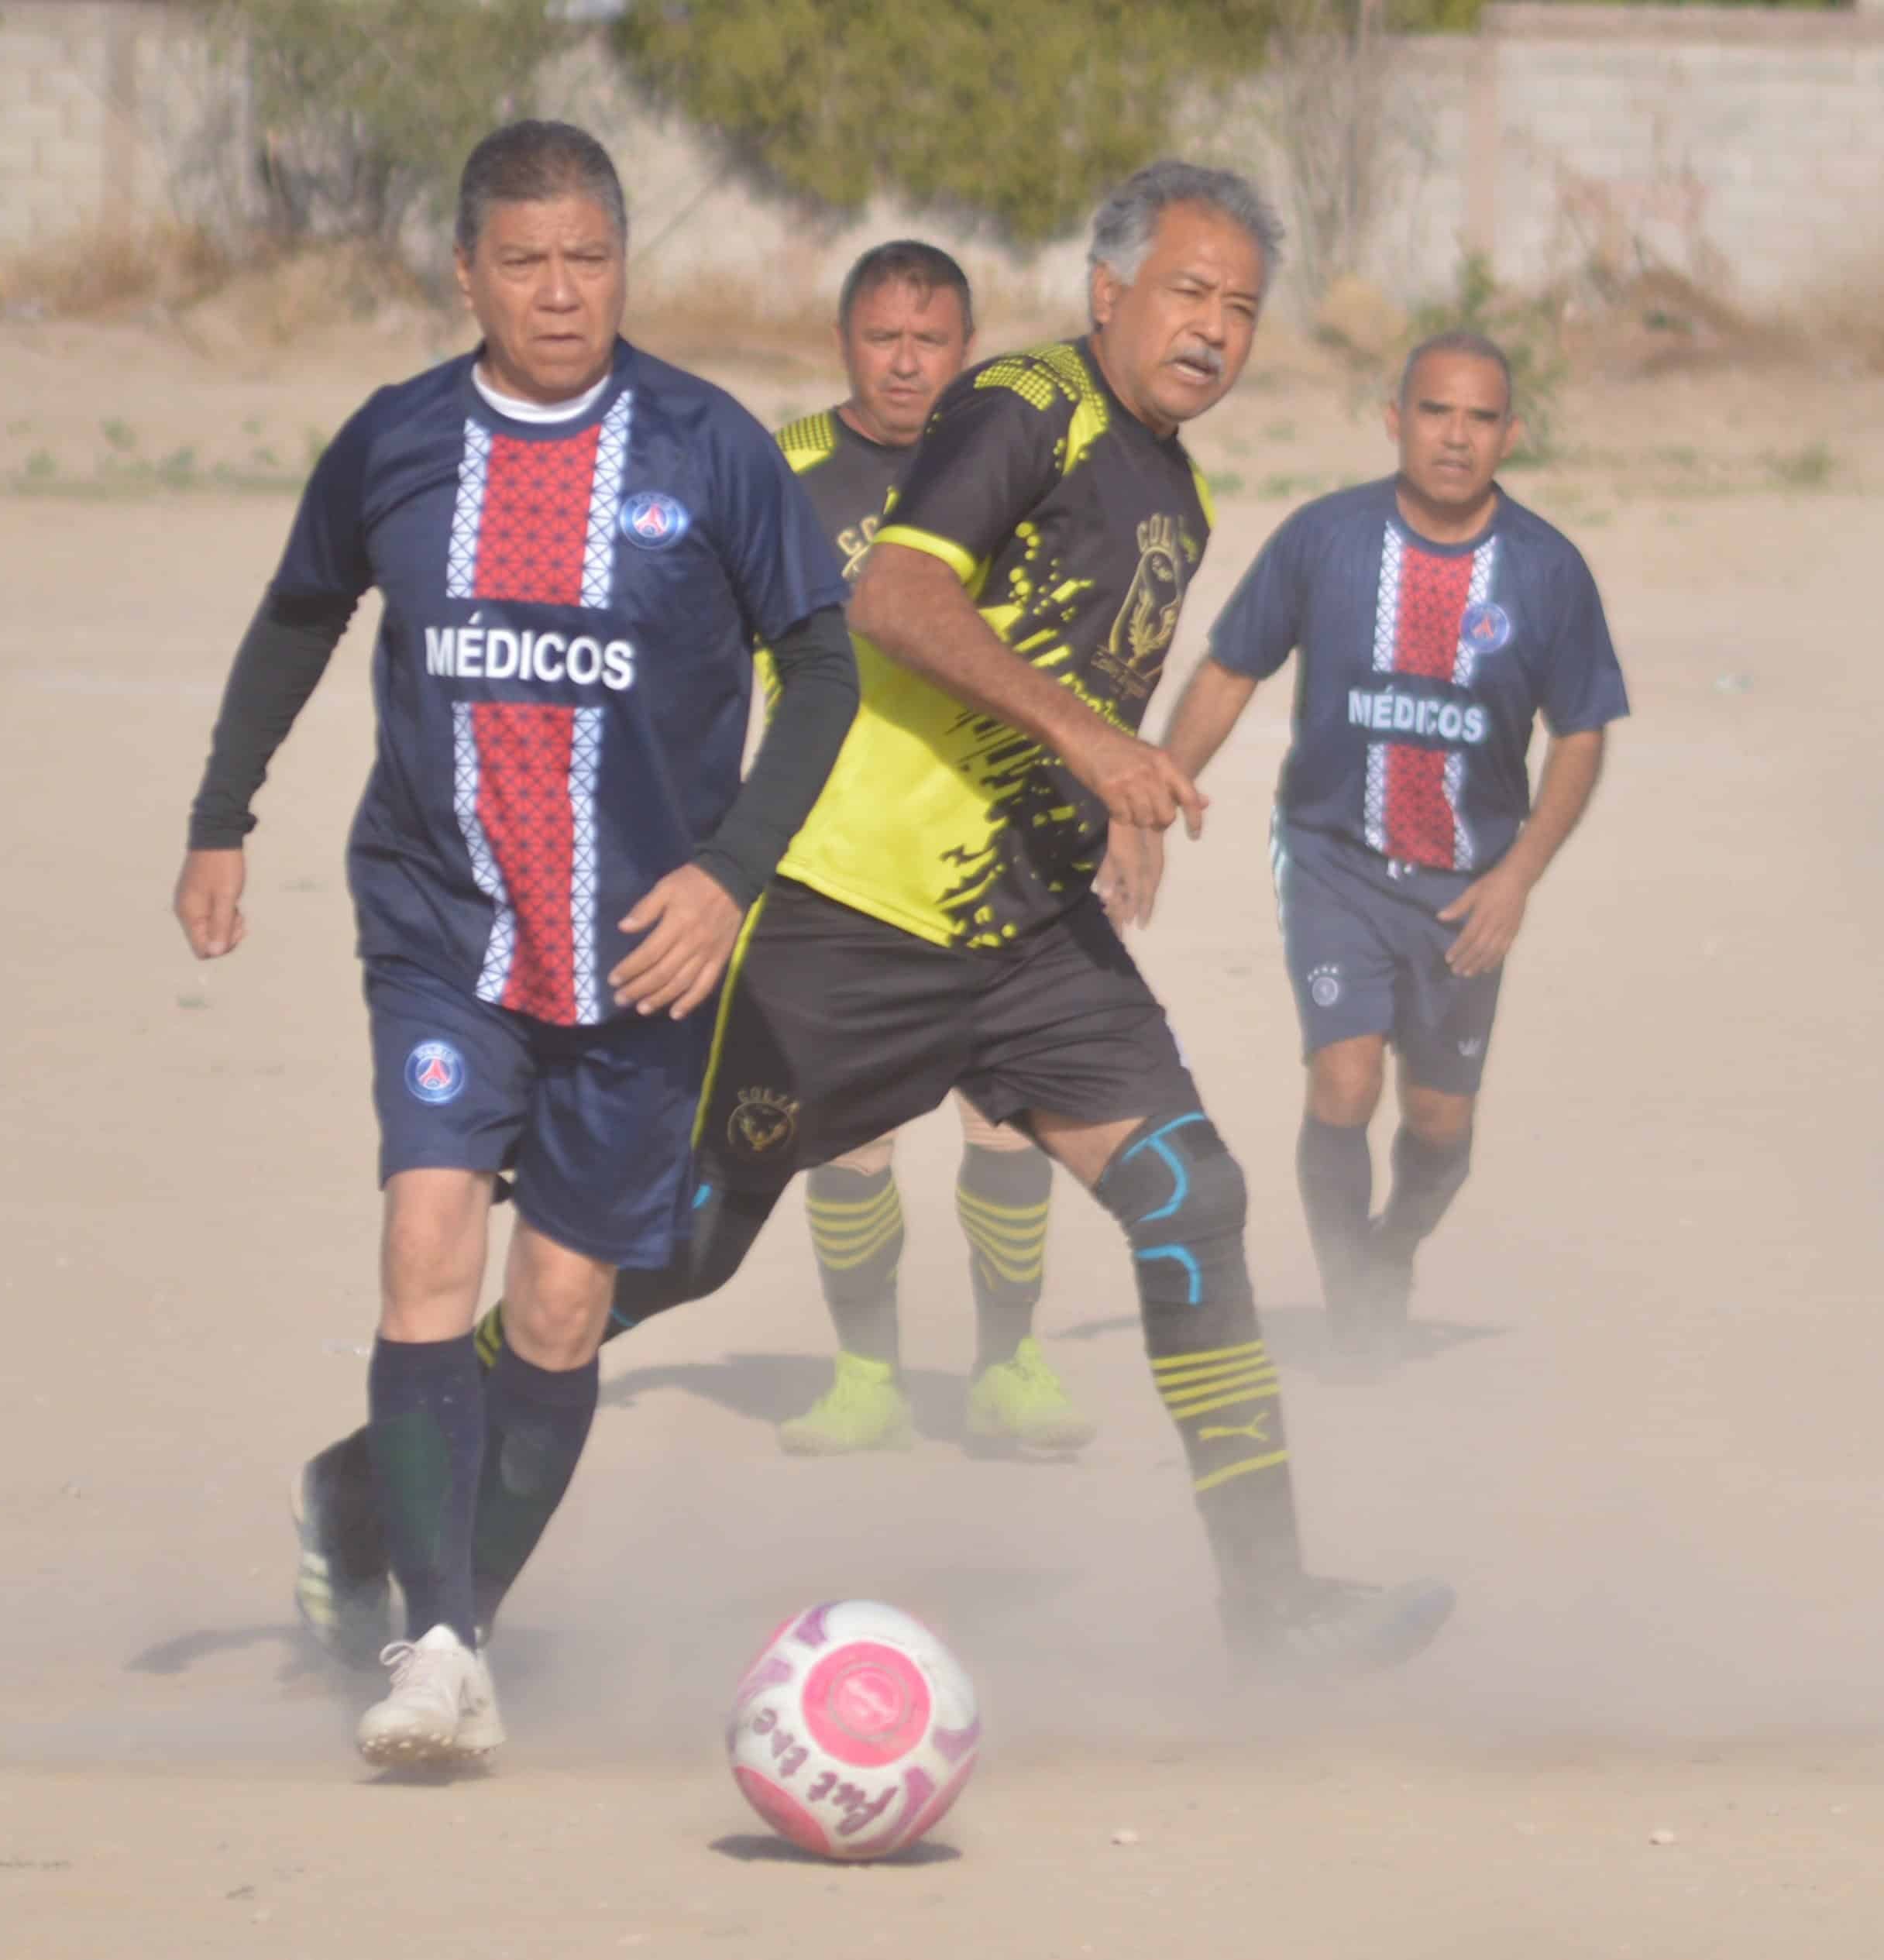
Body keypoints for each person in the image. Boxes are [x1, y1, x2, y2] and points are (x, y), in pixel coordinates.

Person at [490, 160, 1454, 1677]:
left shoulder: (1177, 489)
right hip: (846, 924)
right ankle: (384, 1496)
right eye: (1185, 294)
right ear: (1107, 293)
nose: (1211, 329)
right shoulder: (1024, 407)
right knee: (666, 1255)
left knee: (1190, 1200)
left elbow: (1082, 692)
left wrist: (1102, 811)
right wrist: (1088, 740)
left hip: (1026, 949)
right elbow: (897, 598)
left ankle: (1272, 1607)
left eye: (1241, 309)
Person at [173, 120, 857, 1768]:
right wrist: (221, 812)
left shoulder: (707, 450)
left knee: (556, 1312)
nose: (562, 293)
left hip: (636, 953)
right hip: (439, 920)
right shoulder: (397, 442)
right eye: (527, 262)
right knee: (424, 1244)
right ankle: (441, 1644)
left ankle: (452, 1610)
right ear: (467, 272)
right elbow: (297, 614)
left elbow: (820, 669)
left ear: (623, 264)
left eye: (591, 259)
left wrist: (727, 876)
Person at [1118, 329, 1628, 1371]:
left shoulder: (1546, 571)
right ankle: (1353, 1299)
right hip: (1332, 861)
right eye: (1434, 411)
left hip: (1465, 890)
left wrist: (1517, 876)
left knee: (1437, 1127)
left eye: (1480, 418)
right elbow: (1230, 667)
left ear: (1510, 435)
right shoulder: (1324, 540)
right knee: (1342, 1085)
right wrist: (1151, 794)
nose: (1455, 436)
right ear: (1394, 421)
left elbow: (1580, 732)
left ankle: (1393, 1246)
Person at [768, 239, 1092, 1459]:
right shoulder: (781, 472)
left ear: (967, 349)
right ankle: (866, 1375)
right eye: (882, 337)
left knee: (1008, 1118)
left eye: (932, 339)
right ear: (845, 341)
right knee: (849, 1133)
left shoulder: (1017, 466)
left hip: (999, 849)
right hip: (838, 859)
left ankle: (1009, 1362)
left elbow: (1069, 653)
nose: (906, 363)